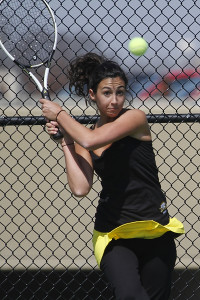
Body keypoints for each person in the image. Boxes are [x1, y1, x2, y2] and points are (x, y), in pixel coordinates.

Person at [40, 52, 185, 300]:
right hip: (113, 235)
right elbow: (80, 187)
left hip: (155, 230)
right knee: (130, 295)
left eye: (120, 92)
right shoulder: (85, 136)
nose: (115, 100)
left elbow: (89, 138)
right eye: (107, 93)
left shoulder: (135, 118)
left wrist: (60, 115)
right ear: (92, 95)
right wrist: (65, 141)